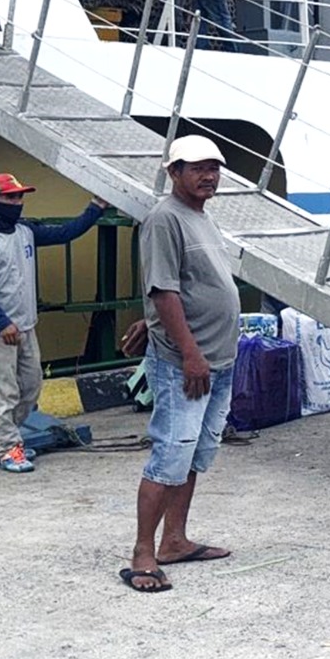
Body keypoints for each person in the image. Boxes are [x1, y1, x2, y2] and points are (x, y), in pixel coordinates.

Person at [124, 135, 242, 592]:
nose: (209, 176)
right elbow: (163, 290)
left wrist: (154, 323)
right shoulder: (164, 218)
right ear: (173, 172)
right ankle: (143, 553)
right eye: (197, 168)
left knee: (194, 453)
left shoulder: (202, 217)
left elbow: (187, 283)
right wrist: (190, 354)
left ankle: (174, 540)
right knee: (170, 455)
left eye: (214, 168)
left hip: (218, 360)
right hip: (185, 364)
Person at [0, 173, 106, 473]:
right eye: (10, 197)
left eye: (19, 196)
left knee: (31, 387)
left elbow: (66, 232)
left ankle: (0, 442)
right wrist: (2, 323)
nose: (17, 202)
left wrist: (96, 207)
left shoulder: (25, 231)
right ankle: (8, 447)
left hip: (25, 325)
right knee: (3, 392)